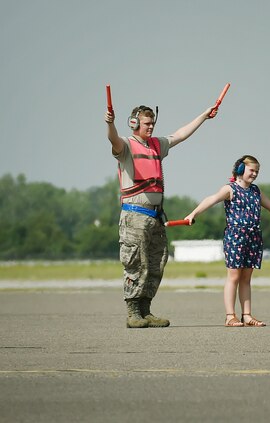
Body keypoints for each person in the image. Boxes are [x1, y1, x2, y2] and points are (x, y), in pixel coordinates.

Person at [105, 103, 218, 328]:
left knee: (156, 263)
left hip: (155, 217)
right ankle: (133, 312)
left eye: (153, 123)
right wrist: (110, 123)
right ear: (134, 123)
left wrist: (204, 115)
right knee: (135, 263)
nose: (151, 127)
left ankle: (146, 310)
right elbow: (113, 139)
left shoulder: (156, 145)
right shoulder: (126, 145)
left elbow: (180, 134)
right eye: (147, 123)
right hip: (134, 215)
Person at [184, 155, 270, 327]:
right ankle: (230, 316)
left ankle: (247, 315)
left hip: (253, 237)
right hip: (236, 237)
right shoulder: (230, 189)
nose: (255, 174)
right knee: (234, 276)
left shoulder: (256, 191)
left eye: (257, 171)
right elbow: (211, 200)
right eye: (252, 170)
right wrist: (193, 214)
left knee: (246, 278)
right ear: (241, 170)